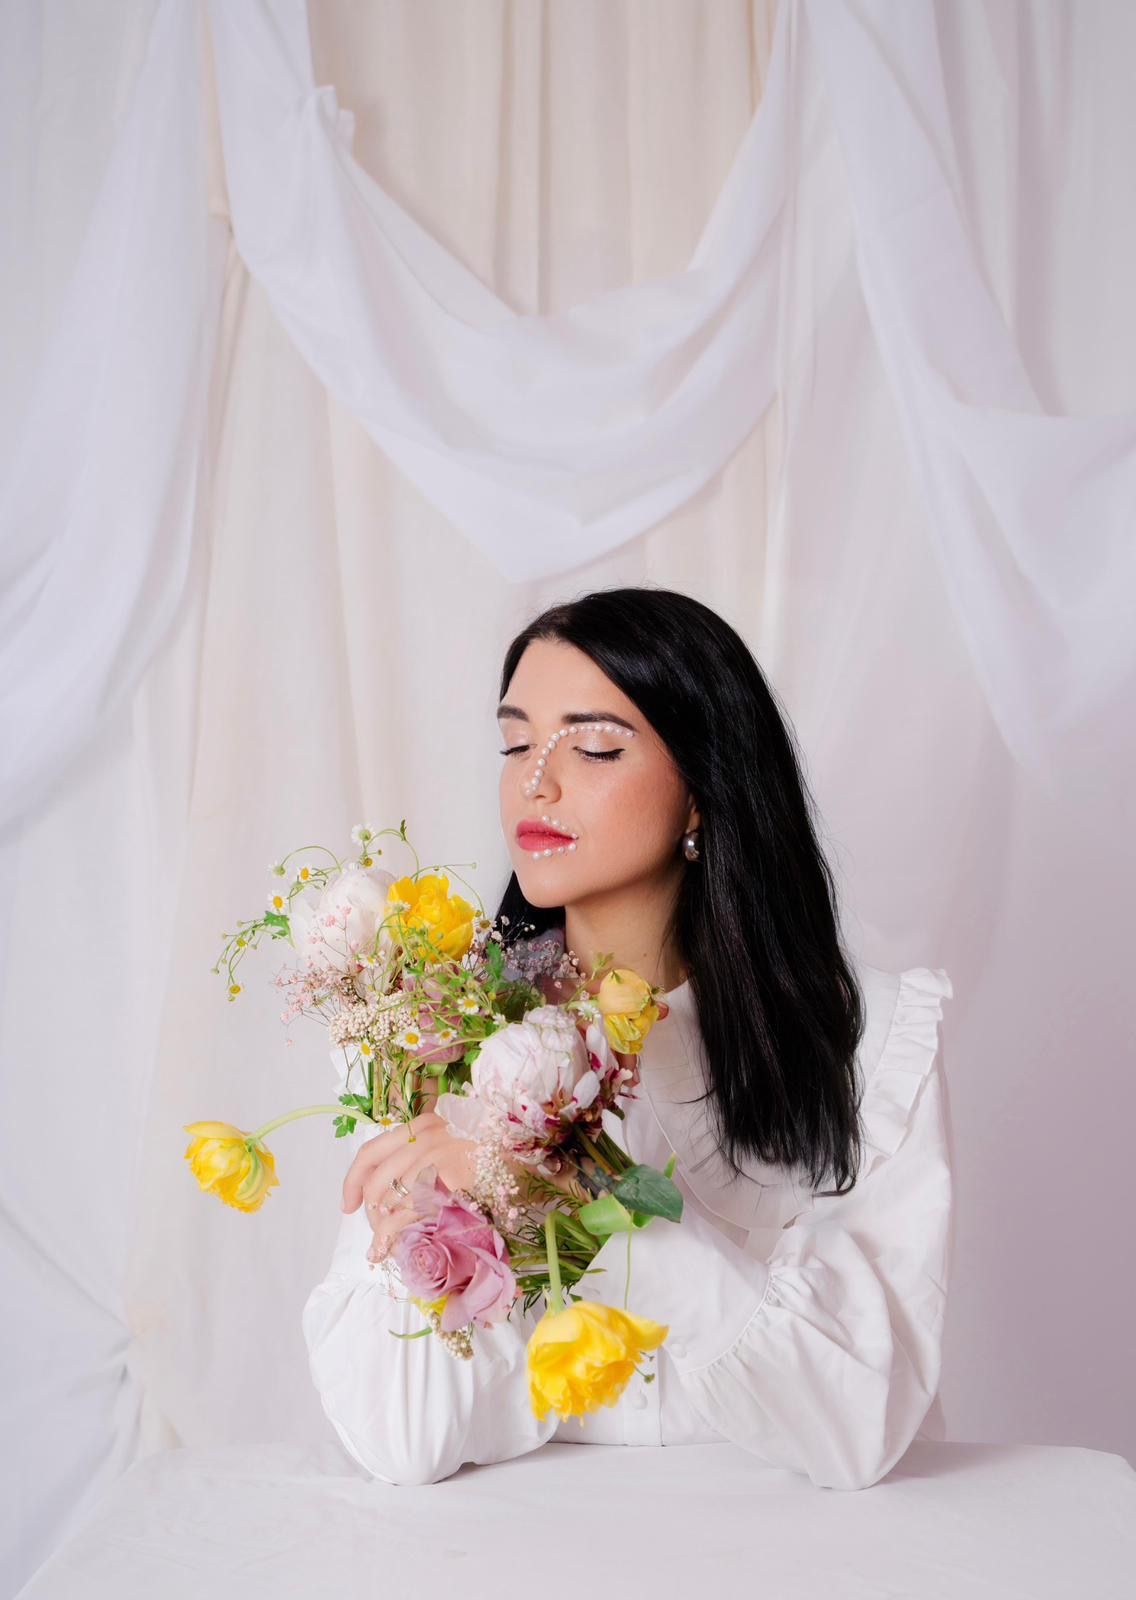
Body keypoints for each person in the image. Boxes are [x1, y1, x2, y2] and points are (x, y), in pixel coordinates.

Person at [302, 587, 954, 1489]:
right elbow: (401, 1442)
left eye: (595, 745)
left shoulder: (872, 1041)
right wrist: (427, 1165)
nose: (537, 780)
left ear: (702, 792)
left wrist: (592, 1191)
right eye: (517, 742)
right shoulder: (438, 1037)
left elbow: (857, 1425)